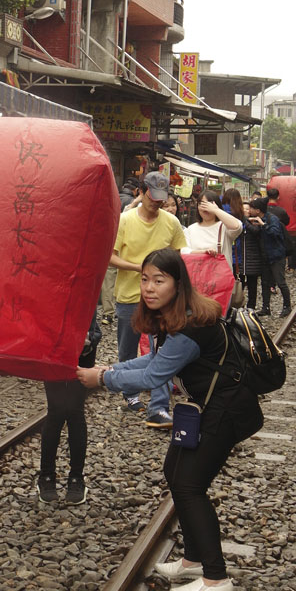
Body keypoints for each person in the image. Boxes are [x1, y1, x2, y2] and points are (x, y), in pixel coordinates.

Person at [77, 247, 263, 591]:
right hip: (209, 407)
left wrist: (101, 378)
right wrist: (108, 371)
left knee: (190, 485)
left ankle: (216, 580)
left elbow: (153, 374)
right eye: (145, 279)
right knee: (175, 471)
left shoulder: (190, 326)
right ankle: (193, 559)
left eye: (159, 280)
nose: (149, 288)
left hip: (226, 411)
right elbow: (153, 360)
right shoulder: (179, 318)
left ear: (178, 284)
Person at [109, 170, 185, 427]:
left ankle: (158, 406)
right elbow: (110, 256)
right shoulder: (124, 220)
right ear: (141, 193)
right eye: (153, 198)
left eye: (162, 200)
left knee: (160, 351)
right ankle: (129, 393)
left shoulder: (172, 223)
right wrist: (141, 269)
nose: (158, 204)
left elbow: (177, 259)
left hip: (163, 299)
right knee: (127, 348)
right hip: (130, 295)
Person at [38, 315, 100, 506]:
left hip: (83, 345)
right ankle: (46, 476)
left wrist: (87, 338)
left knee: (74, 411)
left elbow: (92, 323)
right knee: (56, 410)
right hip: (52, 344)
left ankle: (76, 477)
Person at [246, 197, 291, 317]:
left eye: (251, 208)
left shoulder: (272, 219)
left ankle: (287, 306)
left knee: (280, 282)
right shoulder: (257, 218)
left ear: (258, 210)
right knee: (265, 283)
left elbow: (275, 233)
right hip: (265, 256)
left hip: (276, 256)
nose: (249, 210)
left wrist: (263, 225)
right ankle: (266, 307)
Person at [182, 190, 243, 264]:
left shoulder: (224, 226)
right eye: (201, 203)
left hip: (219, 274)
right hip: (197, 273)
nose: (205, 207)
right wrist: (203, 252)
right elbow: (184, 251)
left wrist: (215, 210)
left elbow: (237, 226)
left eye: (209, 203)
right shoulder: (190, 229)